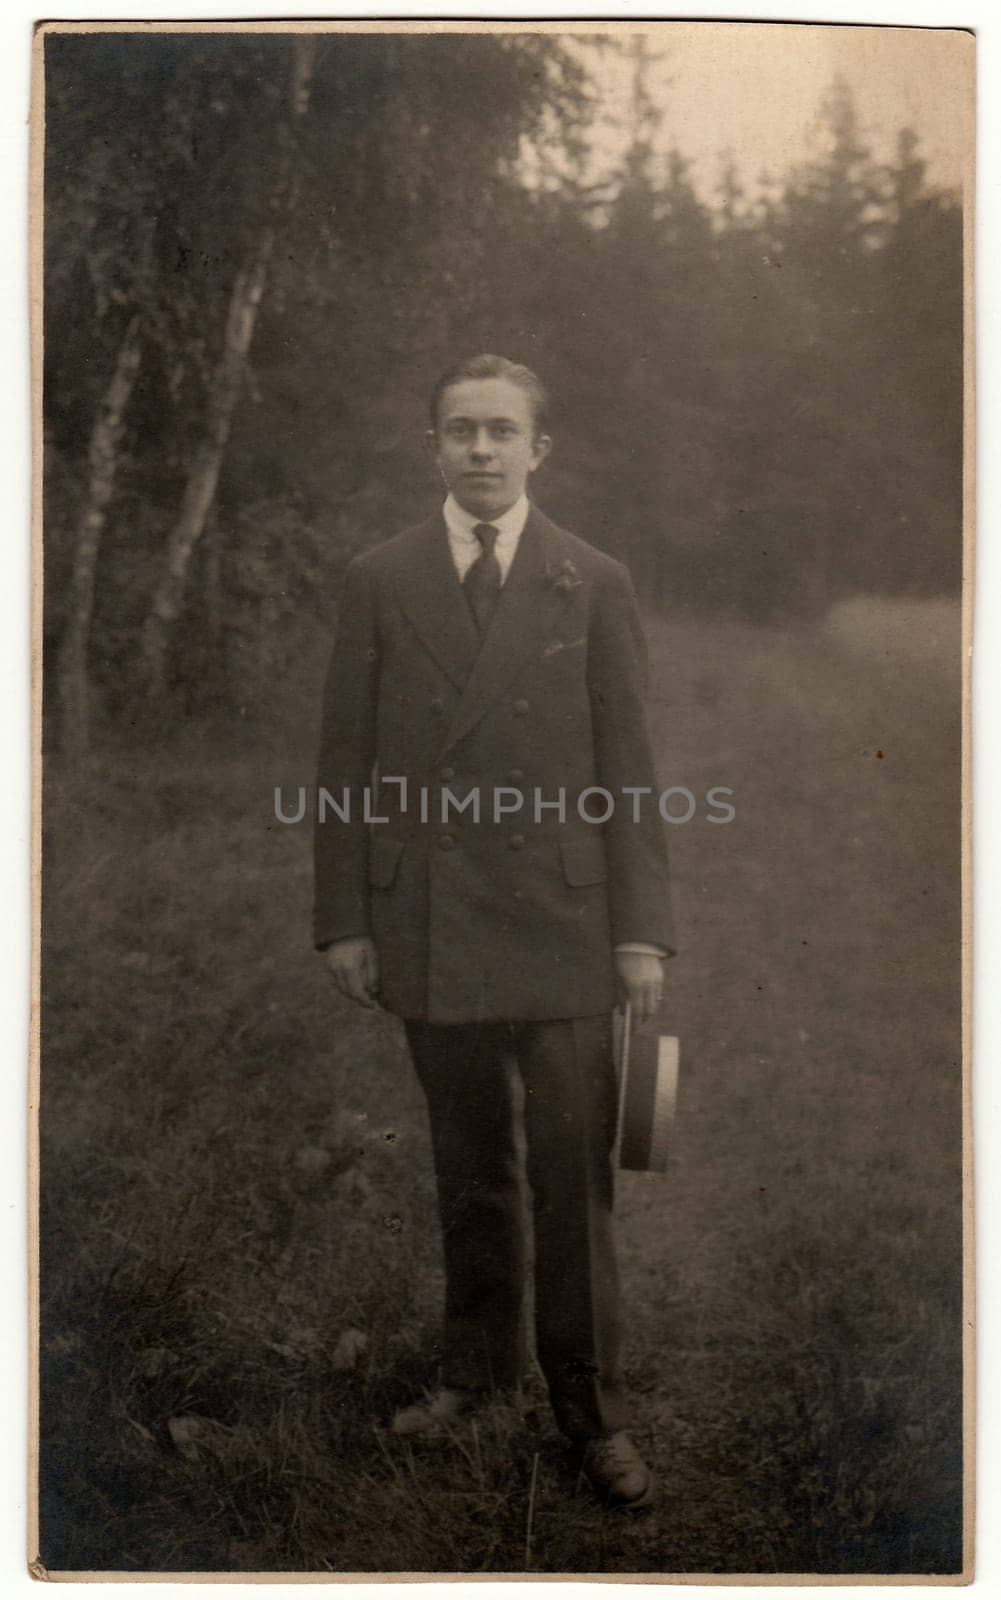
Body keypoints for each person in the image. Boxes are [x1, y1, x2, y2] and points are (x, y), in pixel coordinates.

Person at [313, 354, 674, 1507]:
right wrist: (343, 921)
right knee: (467, 1165)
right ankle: (474, 1375)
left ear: (537, 450)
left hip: (565, 921)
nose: (479, 450)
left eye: (499, 432)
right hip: (428, 918)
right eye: (459, 431)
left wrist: (640, 936)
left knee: (574, 1174)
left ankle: (591, 1411)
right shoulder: (380, 578)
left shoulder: (591, 578)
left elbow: (629, 767)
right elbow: (341, 764)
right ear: (432, 448)